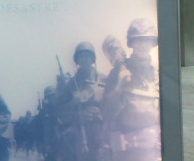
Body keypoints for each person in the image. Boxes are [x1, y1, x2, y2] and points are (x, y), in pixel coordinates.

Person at [102, 18, 161, 161]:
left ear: (153, 43)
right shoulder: (118, 72)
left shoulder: (159, 73)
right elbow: (106, 113)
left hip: (155, 151)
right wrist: (119, 88)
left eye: (147, 40)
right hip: (127, 153)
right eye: (138, 41)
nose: (143, 45)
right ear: (131, 43)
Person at [54, 42, 108, 161]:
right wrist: (77, 111)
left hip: (102, 129)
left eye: (87, 56)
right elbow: (60, 110)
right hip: (80, 132)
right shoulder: (71, 84)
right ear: (77, 60)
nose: (84, 59)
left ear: (92, 59)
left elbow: (112, 103)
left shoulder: (103, 79)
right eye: (81, 57)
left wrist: (100, 113)